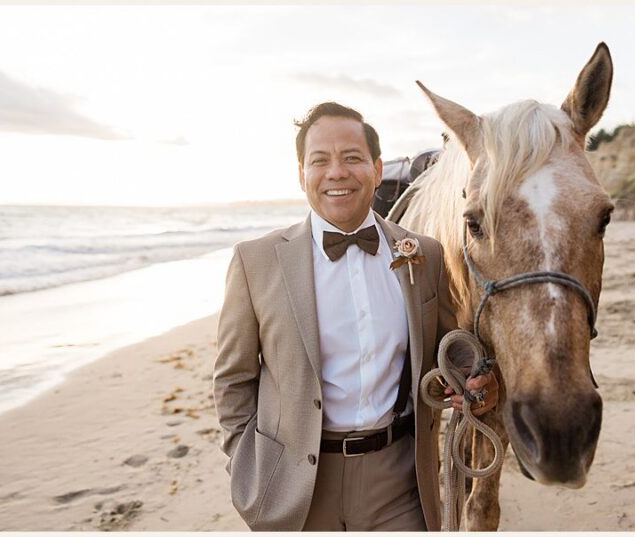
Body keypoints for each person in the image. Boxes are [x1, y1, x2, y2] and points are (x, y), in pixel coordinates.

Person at [211, 102, 498, 531]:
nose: (337, 172)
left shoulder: (425, 255)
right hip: (296, 488)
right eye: (320, 161)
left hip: (399, 482)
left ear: (376, 170)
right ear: (302, 175)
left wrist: (477, 383)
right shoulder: (255, 262)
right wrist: (246, 464)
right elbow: (233, 380)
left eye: (352, 158)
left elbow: (447, 347)